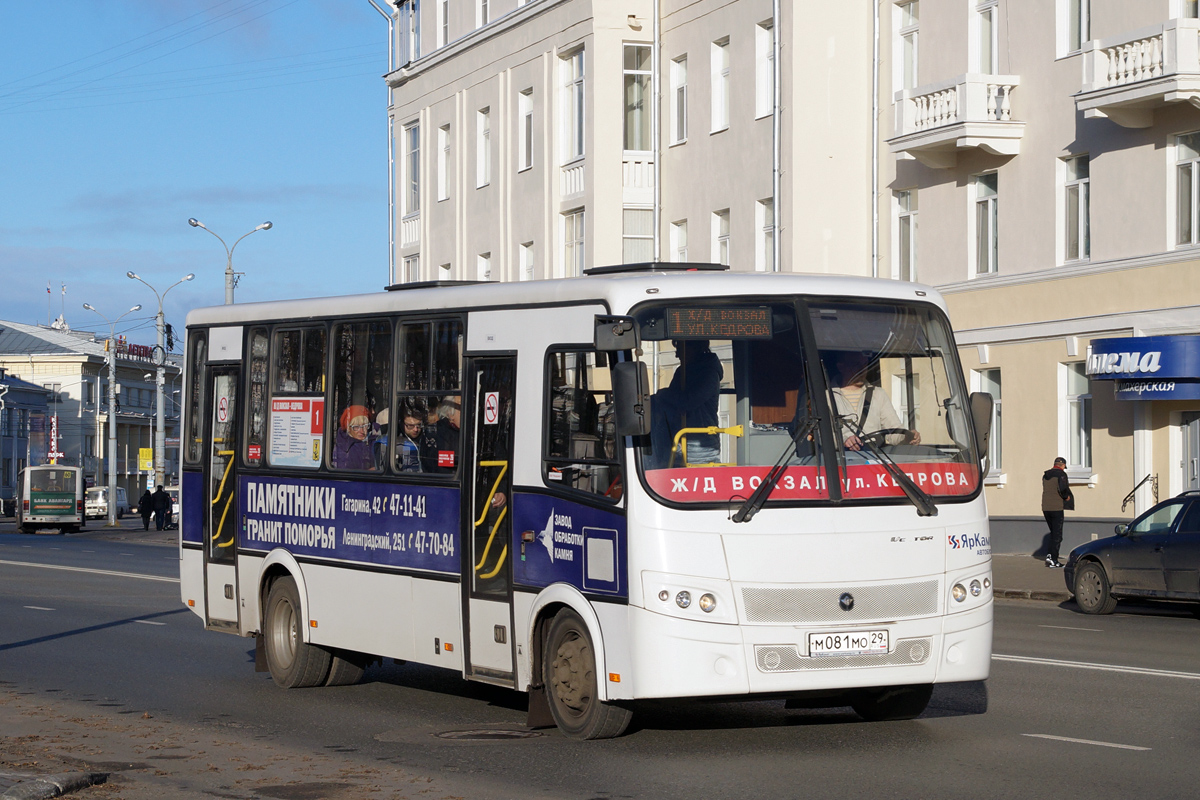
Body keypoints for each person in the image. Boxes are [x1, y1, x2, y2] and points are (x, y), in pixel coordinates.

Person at [648, 339, 723, 469]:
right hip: (676, 441)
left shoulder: (709, 374)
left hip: (700, 447)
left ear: (695, 348)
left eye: (680, 350)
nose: (677, 355)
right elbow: (672, 403)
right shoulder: (681, 372)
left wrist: (663, 394)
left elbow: (688, 401)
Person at [829, 351, 920, 451]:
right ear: (841, 367)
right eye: (856, 365)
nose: (862, 369)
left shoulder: (878, 394)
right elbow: (822, 435)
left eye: (864, 365)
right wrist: (843, 440)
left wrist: (907, 436)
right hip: (840, 461)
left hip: (874, 459)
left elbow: (894, 431)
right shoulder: (827, 397)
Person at [1041, 456, 1073, 568]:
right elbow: (1063, 488)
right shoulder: (1061, 475)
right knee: (1057, 535)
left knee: (1053, 533)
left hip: (1045, 507)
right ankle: (1053, 559)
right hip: (1056, 508)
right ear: (1063, 465)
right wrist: (1066, 497)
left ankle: (1050, 557)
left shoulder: (1045, 475)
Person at [332, 405, 378, 470]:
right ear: (348, 428)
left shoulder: (374, 441)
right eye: (356, 427)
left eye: (365, 426)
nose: (361, 431)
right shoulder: (344, 447)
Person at [422, 397, 461, 473]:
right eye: (461, 408)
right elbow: (434, 460)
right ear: (450, 413)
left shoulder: (469, 431)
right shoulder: (434, 431)